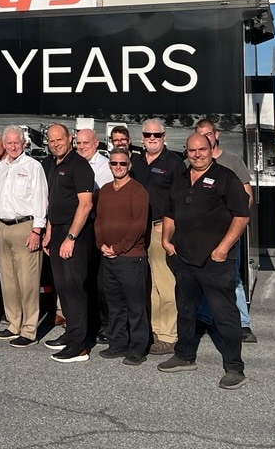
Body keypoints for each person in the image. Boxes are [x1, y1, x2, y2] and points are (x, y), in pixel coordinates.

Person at [159, 133, 250, 390]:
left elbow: (241, 216)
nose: (197, 154)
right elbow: (170, 212)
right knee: (185, 310)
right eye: (192, 150)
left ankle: (234, 367)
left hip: (215, 261)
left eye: (202, 149)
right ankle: (184, 355)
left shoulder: (226, 178)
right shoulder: (180, 179)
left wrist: (223, 248)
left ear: (211, 149)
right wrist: (166, 240)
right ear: (185, 152)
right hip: (184, 257)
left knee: (225, 314)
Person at [195, 118, 258, 343]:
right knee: (201, 275)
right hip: (199, 235)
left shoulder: (232, 162)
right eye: (201, 135)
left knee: (232, 278)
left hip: (226, 233)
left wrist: (235, 223)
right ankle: (204, 316)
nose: (206, 138)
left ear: (216, 134)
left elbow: (247, 196)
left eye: (209, 134)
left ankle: (242, 323)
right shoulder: (190, 163)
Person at [130, 118, 187, 355]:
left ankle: (168, 335)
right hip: (138, 231)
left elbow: (183, 199)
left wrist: (167, 224)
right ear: (142, 137)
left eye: (157, 135)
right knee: (148, 284)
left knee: (165, 284)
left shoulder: (174, 163)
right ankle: (154, 330)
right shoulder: (136, 162)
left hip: (160, 229)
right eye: (147, 135)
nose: (152, 139)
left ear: (164, 137)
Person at [41, 123, 95, 362]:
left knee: (74, 289)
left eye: (59, 139)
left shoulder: (80, 166)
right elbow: (55, 202)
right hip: (58, 231)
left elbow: (85, 205)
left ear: (69, 138)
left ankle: (79, 346)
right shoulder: (54, 164)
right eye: (51, 141)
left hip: (75, 234)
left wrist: (70, 238)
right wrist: (50, 232)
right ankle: (70, 333)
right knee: (62, 288)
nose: (55, 144)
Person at [0, 125, 47, 347]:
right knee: (8, 281)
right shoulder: (0, 168)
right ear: (4, 144)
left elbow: (41, 199)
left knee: (28, 282)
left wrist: (37, 230)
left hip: (25, 226)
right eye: (9, 143)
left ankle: (29, 329)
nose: (13, 147)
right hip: (3, 227)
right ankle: (14, 324)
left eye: (17, 142)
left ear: (24, 143)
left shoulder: (33, 167)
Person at [94, 148, 150, 365]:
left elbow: (138, 225)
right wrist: (101, 245)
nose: (118, 167)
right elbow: (99, 220)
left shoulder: (138, 191)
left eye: (122, 164)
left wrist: (118, 248)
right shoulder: (105, 190)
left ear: (130, 165)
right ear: (109, 165)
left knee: (135, 306)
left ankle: (137, 349)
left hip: (130, 257)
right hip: (107, 257)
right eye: (114, 164)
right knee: (114, 304)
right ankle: (118, 343)